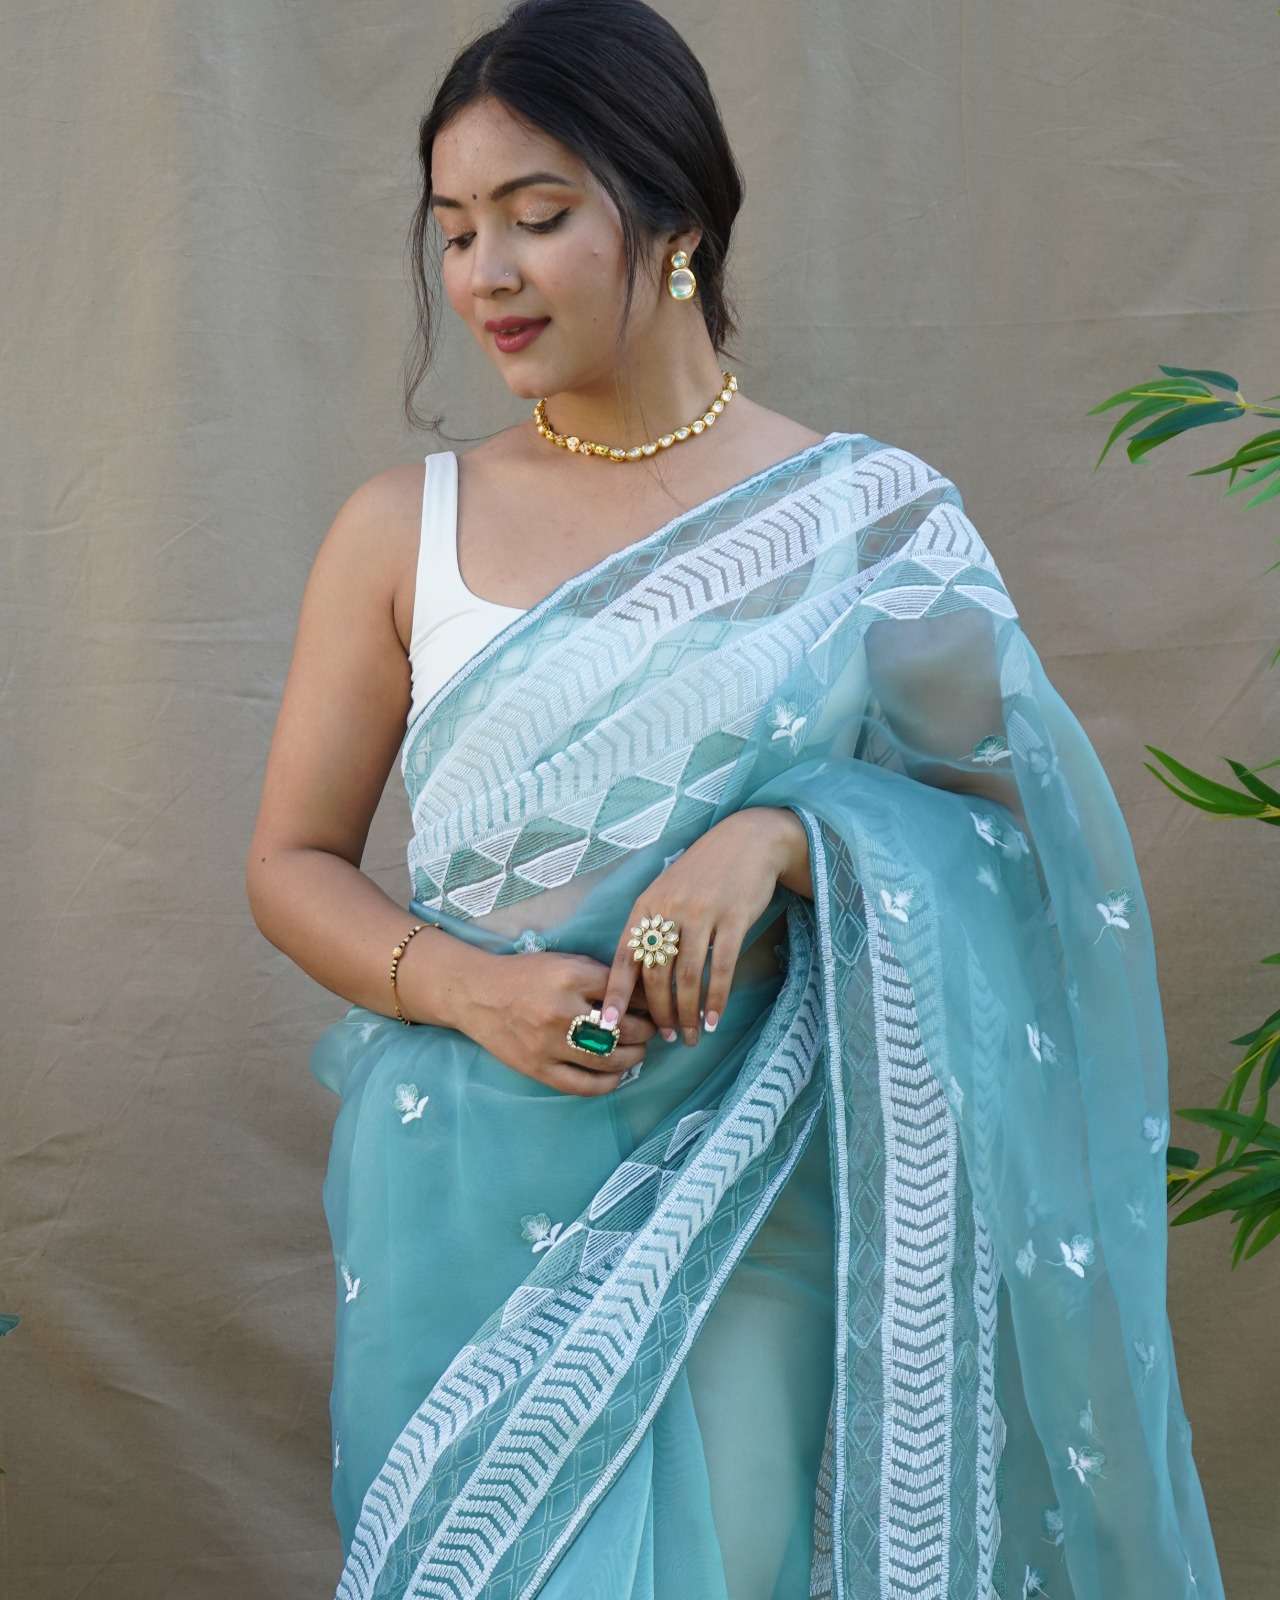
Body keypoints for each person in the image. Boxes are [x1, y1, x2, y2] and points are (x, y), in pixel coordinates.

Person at [245, 2, 1227, 1596]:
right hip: (454, 1187)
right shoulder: (399, 527)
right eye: (457, 230)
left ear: (678, 221)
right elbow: (292, 862)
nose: (485, 274)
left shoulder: (868, 524)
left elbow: (1031, 846)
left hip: (761, 1196)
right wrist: (473, 990)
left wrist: (784, 839)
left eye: (538, 216)